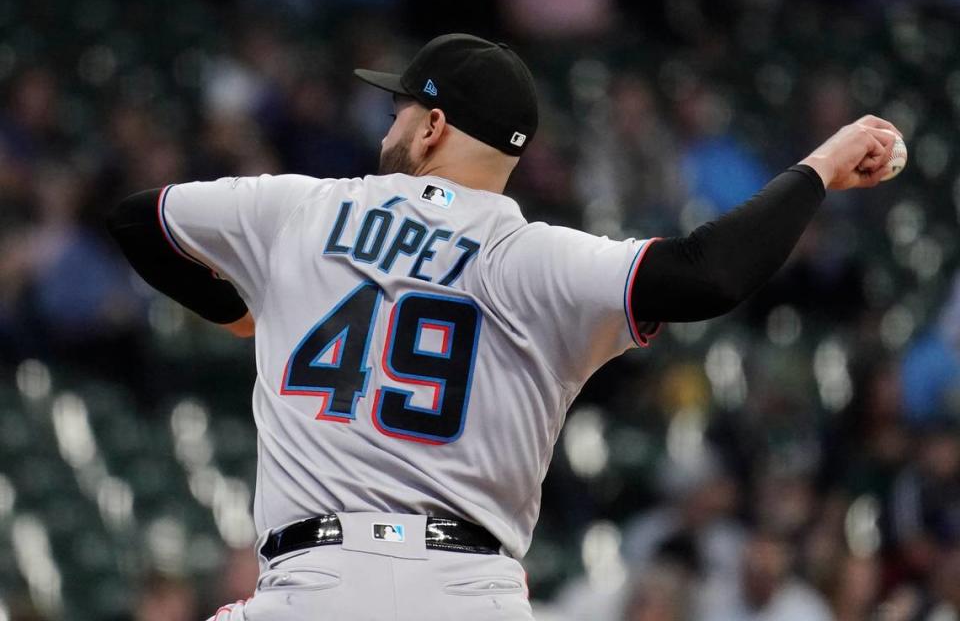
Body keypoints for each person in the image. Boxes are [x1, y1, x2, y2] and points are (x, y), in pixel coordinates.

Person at [108, 33, 903, 620]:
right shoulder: (536, 258)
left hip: (314, 584)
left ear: (433, 129)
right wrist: (823, 166)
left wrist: (239, 312)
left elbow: (138, 222)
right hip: (471, 591)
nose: (391, 125)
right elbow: (708, 273)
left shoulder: (301, 208)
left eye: (402, 109)